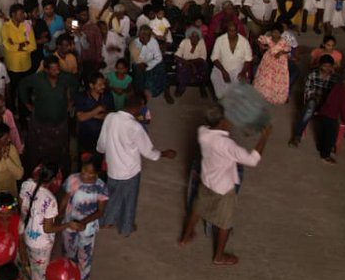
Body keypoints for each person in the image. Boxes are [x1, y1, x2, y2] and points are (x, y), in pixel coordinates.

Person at [178, 105, 272, 266]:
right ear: (222, 122)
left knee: (197, 208)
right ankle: (219, 256)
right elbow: (252, 160)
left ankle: (185, 238)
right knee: (226, 223)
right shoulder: (227, 145)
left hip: (206, 180)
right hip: (223, 188)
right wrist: (264, 137)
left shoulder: (203, 132)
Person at [99, 90, 173, 235]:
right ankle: (126, 228)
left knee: (113, 195)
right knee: (129, 201)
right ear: (140, 105)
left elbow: (101, 144)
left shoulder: (110, 117)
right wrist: (164, 153)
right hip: (130, 172)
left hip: (113, 168)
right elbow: (149, 153)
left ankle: (107, 221)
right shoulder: (135, 127)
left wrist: (105, 155)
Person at [60, 152, 109, 280]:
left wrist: (83, 222)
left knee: (84, 255)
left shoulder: (101, 187)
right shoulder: (73, 179)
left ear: (98, 173)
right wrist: (57, 215)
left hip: (87, 228)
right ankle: (69, 274)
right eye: (83, 171)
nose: (85, 175)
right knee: (68, 251)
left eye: (90, 173)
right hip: (69, 223)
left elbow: (100, 211)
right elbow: (65, 199)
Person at [209, 18, 252, 100]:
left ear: (237, 30)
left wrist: (243, 72)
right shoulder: (220, 40)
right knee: (214, 77)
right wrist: (223, 71)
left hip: (238, 70)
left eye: (234, 30)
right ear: (227, 30)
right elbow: (214, 58)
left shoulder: (244, 42)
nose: (232, 33)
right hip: (221, 68)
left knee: (239, 86)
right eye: (230, 30)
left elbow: (248, 59)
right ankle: (222, 99)